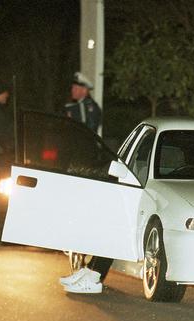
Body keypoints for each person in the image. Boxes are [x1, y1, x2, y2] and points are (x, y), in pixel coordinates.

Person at [59, 72, 112, 293]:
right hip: (78, 163)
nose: (72, 90)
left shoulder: (86, 108)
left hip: (84, 165)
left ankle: (87, 273)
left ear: (84, 89)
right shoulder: (78, 106)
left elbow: (81, 133)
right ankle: (82, 270)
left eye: (75, 87)